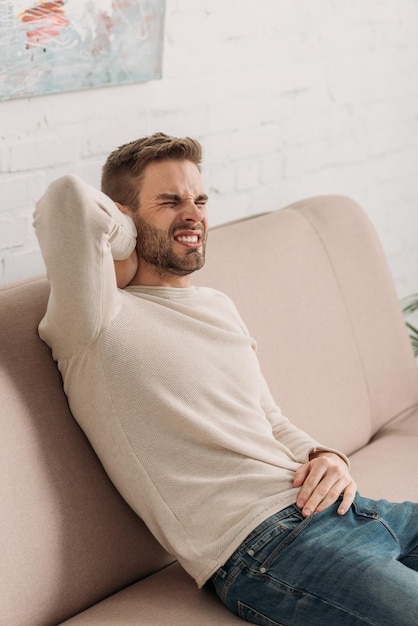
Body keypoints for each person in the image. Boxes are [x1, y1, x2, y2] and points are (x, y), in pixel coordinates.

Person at [34, 132, 418, 626]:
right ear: (123, 217)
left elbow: (270, 419)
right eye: (170, 202)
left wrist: (326, 456)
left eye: (199, 200)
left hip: (349, 510)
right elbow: (65, 199)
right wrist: (123, 245)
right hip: (269, 548)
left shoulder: (217, 305)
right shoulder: (95, 320)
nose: (193, 214)